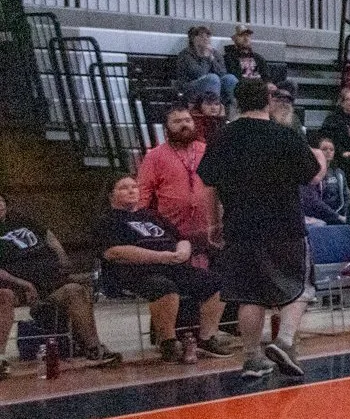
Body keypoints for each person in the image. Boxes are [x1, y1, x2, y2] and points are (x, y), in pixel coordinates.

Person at [198, 77, 322, 381]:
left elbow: (208, 185)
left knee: (249, 296)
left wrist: (213, 222)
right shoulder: (284, 135)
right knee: (301, 288)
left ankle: (252, 358)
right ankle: (284, 341)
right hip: (284, 226)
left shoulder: (222, 138)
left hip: (239, 227)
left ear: (236, 102)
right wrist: (319, 157)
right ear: (267, 101)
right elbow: (312, 176)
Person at [96, 175, 233, 363]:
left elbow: (181, 238)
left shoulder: (151, 215)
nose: (131, 191)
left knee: (216, 282)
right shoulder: (108, 221)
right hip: (136, 271)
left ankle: (207, 337)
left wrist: (183, 251)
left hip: (172, 265)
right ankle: (168, 342)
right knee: (165, 287)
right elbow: (114, 252)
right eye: (124, 188)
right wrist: (160, 256)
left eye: (134, 187)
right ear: (111, 195)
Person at [0, 191, 121, 368]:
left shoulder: (19, 220)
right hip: (14, 285)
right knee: (4, 296)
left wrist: (63, 259)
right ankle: (0, 358)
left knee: (75, 290)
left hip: (49, 280)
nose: (0, 205)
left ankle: (94, 349)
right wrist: (24, 284)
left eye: (1, 201)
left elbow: (48, 235)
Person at [135, 104, 217, 265]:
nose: (184, 125)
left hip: (208, 228)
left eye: (187, 120)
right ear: (166, 128)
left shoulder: (207, 150)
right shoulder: (155, 157)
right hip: (174, 232)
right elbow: (143, 192)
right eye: (177, 122)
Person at [172, 24, 234, 104]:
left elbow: (222, 73)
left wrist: (212, 59)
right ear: (193, 39)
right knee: (212, 78)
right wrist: (205, 57)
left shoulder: (215, 53)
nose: (205, 39)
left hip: (214, 86)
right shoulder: (186, 54)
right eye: (201, 36)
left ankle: (235, 108)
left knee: (230, 78)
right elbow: (200, 74)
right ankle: (213, 107)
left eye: (208, 36)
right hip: (189, 87)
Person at [223, 25, 289, 96]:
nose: (246, 38)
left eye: (248, 36)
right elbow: (234, 78)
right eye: (241, 36)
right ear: (234, 39)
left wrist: (269, 84)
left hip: (261, 87)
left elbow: (266, 76)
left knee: (288, 84)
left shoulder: (258, 58)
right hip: (243, 88)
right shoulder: (229, 58)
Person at [301, 138, 350, 226]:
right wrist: (337, 216)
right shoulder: (311, 174)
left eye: (331, 149)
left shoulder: (339, 173)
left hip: (339, 216)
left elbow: (347, 197)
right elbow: (314, 201)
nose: (328, 151)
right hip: (318, 218)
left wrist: (347, 214)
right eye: (324, 149)